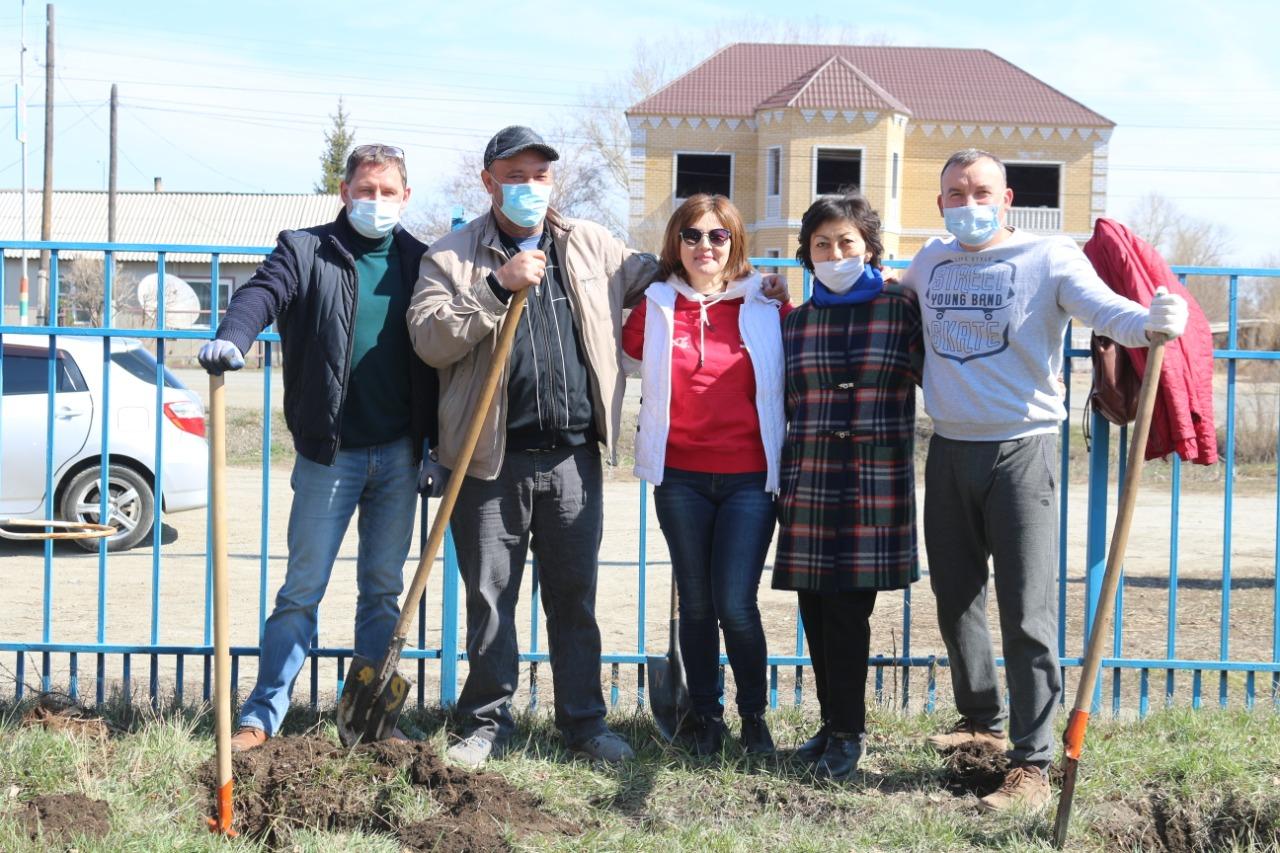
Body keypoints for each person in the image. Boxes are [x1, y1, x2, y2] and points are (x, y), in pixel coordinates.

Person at [903, 148, 1188, 810]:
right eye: (954, 192)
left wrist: (1149, 322)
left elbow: (1102, 308)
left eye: (980, 191)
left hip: (1021, 450)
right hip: (947, 448)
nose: (967, 202)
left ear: (1005, 198)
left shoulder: (1048, 257)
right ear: (940, 202)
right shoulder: (930, 259)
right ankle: (980, 722)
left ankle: (1031, 763)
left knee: (1027, 609)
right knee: (955, 596)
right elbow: (887, 297)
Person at [406, 126, 662, 769]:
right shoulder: (451, 256)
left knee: (574, 598)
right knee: (491, 599)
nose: (528, 187)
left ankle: (584, 724)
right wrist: (497, 287)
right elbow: (430, 341)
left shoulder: (590, 244)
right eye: (514, 176)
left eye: (539, 175)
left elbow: (665, 282)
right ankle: (484, 722)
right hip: (489, 459)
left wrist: (749, 284)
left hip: (574, 456)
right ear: (488, 182)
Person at [198, 143, 440, 751]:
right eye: (365, 189)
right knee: (302, 588)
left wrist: (434, 447)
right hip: (330, 454)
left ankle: (368, 720)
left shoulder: (421, 261)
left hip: (400, 453)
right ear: (344, 191)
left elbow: (441, 355)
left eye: (387, 192)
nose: (375, 201)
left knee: (383, 589)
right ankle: (262, 714)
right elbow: (262, 292)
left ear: (406, 196)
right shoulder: (306, 249)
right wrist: (234, 335)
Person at [621, 194, 787, 757]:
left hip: (748, 478)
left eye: (717, 236)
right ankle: (706, 717)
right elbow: (622, 345)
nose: (704, 247)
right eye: (691, 236)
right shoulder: (658, 304)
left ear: (734, 241)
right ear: (676, 244)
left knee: (735, 603)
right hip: (682, 478)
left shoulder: (765, 305)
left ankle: (754, 718)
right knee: (694, 603)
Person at [772, 193, 923, 779]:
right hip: (809, 480)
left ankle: (848, 733)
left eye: (846, 243)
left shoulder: (899, 308)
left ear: (869, 249)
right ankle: (830, 722)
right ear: (808, 256)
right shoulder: (798, 322)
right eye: (822, 245)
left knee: (847, 612)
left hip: (872, 481)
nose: (835, 253)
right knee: (813, 607)